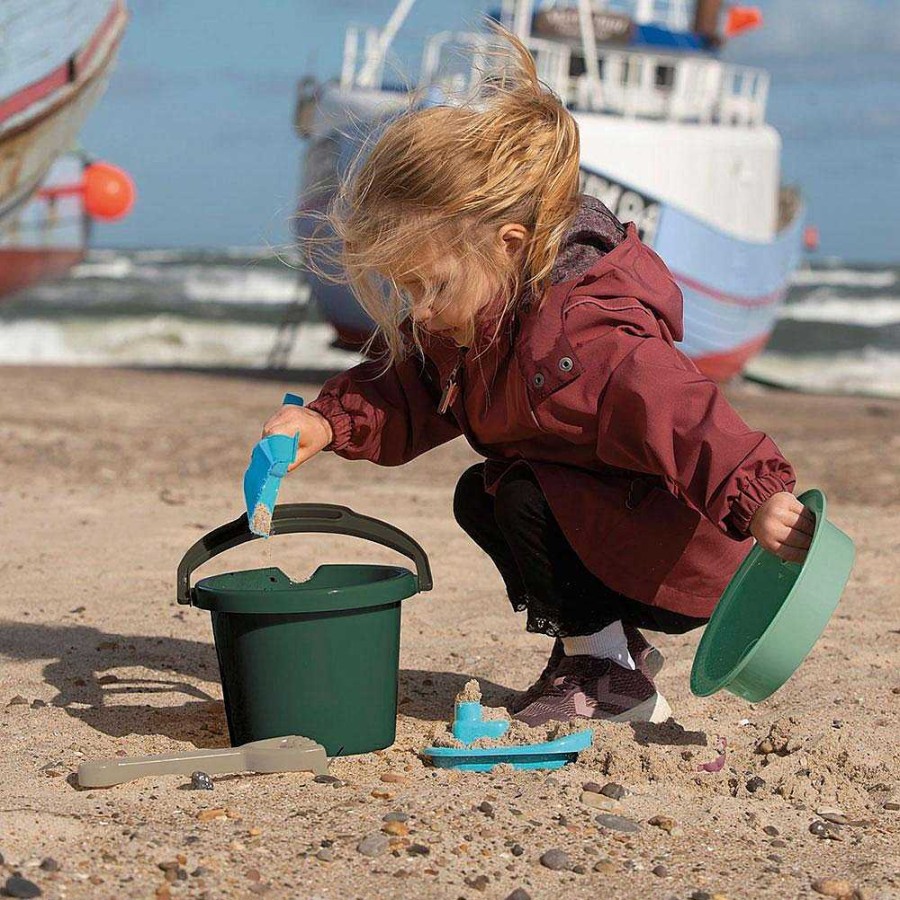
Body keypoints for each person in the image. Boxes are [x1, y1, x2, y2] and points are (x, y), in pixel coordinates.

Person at [262, 26, 814, 726]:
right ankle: (608, 653)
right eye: (408, 292)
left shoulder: (587, 333)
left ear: (510, 246)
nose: (422, 312)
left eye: (431, 286)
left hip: (685, 548)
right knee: (484, 495)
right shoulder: (474, 322)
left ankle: (609, 675)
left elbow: (683, 411)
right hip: (610, 530)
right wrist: (328, 419)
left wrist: (757, 494)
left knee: (518, 492)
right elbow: (407, 387)